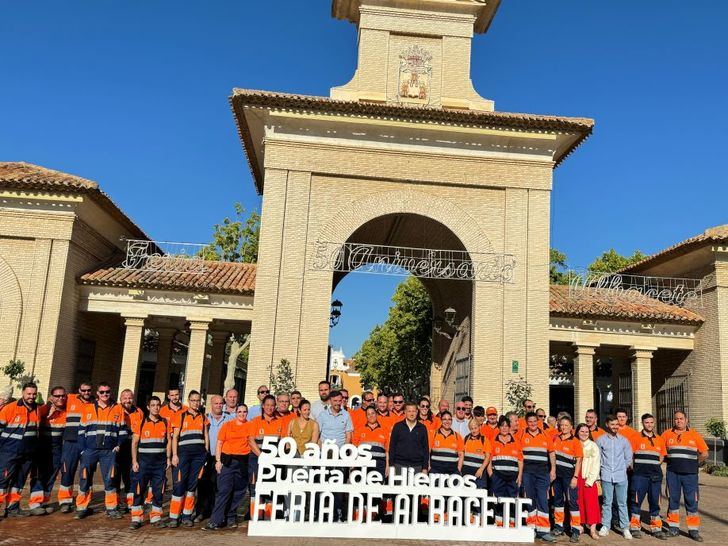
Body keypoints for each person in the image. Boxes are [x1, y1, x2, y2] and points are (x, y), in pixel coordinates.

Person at [75, 382, 128, 519]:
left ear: (111, 393)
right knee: (85, 478)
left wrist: (118, 445)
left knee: (110, 479)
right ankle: (82, 508)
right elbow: (81, 431)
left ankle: (111, 508)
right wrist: (82, 450)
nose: (105, 394)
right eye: (102, 392)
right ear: (97, 393)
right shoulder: (88, 408)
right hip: (90, 450)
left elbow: (122, 431)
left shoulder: (117, 409)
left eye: (107, 392)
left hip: (108, 451)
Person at [661, 410, 708, 542]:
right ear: (673, 420)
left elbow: (704, 453)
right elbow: (660, 450)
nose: (679, 421)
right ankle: (673, 528)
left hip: (690, 475)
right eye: (676, 419)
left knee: (691, 501)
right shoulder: (666, 434)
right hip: (672, 474)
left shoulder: (694, 434)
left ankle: (693, 530)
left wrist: (694, 462)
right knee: (673, 500)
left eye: (681, 419)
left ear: (686, 420)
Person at [204, 404, 250, 531]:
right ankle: (215, 520)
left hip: (242, 462)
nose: (242, 414)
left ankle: (230, 517)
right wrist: (218, 461)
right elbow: (219, 443)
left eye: (244, 412)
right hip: (227, 461)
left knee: (239, 492)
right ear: (235, 413)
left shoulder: (250, 426)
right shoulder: (228, 425)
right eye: (239, 412)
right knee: (224, 491)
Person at [129, 396, 170, 529]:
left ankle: (156, 517)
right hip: (143, 463)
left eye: (158, 405)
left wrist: (168, 458)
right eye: (153, 405)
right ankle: (136, 518)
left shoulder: (165, 422)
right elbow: (134, 443)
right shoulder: (141, 422)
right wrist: (134, 461)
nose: (156, 407)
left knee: (158, 491)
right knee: (139, 490)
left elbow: (168, 441)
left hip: (159, 464)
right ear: (148, 407)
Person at [169, 390, 209, 527]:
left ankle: (186, 515)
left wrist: (206, 453)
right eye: (193, 400)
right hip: (183, 455)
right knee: (179, 484)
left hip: (198, 456)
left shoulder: (203, 417)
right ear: (188, 401)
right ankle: (174, 517)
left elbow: (206, 436)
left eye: (198, 400)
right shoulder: (180, 415)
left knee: (192, 486)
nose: (196, 403)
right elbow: (174, 437)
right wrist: (174, 455)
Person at [0, 382, 40, 517]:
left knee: (19, 481)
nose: (31, 396)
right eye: (29, 393)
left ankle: (13, 508)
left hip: (27, 454)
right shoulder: (10, 408)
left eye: (34, 394)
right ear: (23, 393)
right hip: (8, 452)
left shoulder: (38, 409)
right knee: (2, 481)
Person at [29, 385, 67, 515]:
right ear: (51, 397)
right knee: (39, 474)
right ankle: (35, 503)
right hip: (42, 446)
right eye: (57, 396)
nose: (60, 398)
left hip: (57, 448)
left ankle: (44, 502)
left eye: (63, 396)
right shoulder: (44, 410)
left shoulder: (67, 412)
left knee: (52, 474)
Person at [316, 390, 353, 521]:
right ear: (330, 401)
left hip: (340, 456)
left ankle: (337, 513)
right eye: (335, 401)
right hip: (325, 455)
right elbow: (318, 435)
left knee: (338, 486)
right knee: (324, 484)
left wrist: (345, 452)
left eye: (339, 401)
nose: (338, 403)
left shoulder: (346, 415)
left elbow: (348, 435)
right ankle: (321, 513)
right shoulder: (322, 415)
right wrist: (320, 452)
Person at [629, 413, 666, 540]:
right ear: (642, 423)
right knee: (636, 501)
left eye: (651, 422)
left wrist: (654, 465)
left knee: (655, 503)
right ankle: (634, 527)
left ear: (654, 423)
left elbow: (662, 456)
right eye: (646, 422)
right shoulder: (635, 437)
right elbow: (631, 456)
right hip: (640, 476)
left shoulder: (660, 439)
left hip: (655, 477)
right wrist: (637, 469)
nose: (649, 425)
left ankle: (656, 529)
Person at [521, 411, 556, 542]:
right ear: (526, 423)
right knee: (530, 499)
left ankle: (544, 530)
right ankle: (531, 528)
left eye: (535, 421)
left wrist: (553, 469)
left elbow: (551, 453)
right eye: (530, 422)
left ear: (538, 422)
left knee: (542, 499)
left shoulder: (545, 435)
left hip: (543, 473)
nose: (533, 424)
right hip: (528, 473)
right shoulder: (521, 434)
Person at [596, 414, 633, 539]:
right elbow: (598, 458)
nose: (615, 427)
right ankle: (605, 525)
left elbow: (628, 458)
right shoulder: (601, 440)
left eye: (617, 424)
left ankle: (625, 528)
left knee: (622, 503)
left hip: (621, 476)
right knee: (607, 502)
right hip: (606, 475)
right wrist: (601, 471)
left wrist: (622, 468)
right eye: (612, 424)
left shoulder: (624, 440)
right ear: (607, 425)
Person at [58, 381, 94, 512]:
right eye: (83, 390)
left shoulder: (95, 403)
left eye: (88, 390)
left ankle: (83, 503)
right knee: (67, 471)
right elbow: (57, 400)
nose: (86, 393)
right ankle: (65, 501)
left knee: (86, 473)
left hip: (87, 444)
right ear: (79, 390)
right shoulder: (70, 398)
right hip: (70, 442)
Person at [248, 394, 283, 519]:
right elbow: (251, 441)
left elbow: (283, 442)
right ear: (263, 406)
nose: (270, 408)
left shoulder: (280, 421)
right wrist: (262, 455)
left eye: (272, 405)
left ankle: (268, 516)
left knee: (270, 488)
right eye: (267, 405)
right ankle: (255, 516)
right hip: (257, 458)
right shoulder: (256, 421)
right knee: (255, 487)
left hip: (273, 460)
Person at [352, 406, 390, 520]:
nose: (371, 416)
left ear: (376, 414)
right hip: (363, 465)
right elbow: (354, 448)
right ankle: (362, 514)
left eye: (373, 413)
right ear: (366, 416)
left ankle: (374, 514)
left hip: (379, 465)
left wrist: (387, 466)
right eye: (368, 414)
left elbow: (387, 450)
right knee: (362, 489)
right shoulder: (360, 430)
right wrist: (353, 465)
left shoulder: (384, 430)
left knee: (376, 490)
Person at [198, 395, 232, 520]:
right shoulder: (204, 418)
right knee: (203, 485)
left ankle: (216, 512)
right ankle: (201, 511)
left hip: (222, 457)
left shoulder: (229, 419)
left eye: (220, 403)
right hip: (207, 456)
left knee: (219, 487)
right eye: (216, 403)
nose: (218, 406)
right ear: (211, 404)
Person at [552, 416, 583, 542]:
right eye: (562, 425)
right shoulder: (555, 439)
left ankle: (575, 530)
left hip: (569, 477)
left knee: (573, 503)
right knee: (558, 502)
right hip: (557, 477)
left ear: (571, 427)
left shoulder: (575, 441)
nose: (563, 427)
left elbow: (579, 460)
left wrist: (575, 477)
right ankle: (559, 527)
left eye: (566, 425)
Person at [488, 415, 523, 527]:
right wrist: (491, 475)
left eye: (506, 426)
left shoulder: (516, 441)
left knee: (512, 500)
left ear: (509, 427)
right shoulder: (493, 440)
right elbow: (488, 459)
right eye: (502, 426)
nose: (504, 428)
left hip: (513, 477)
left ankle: (512, 523)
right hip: (498, 477)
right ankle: (499, 523)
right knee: (499, 500)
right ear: (499, 427)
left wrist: (520, 476)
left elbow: (520, 460)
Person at [116, 389, 143, 513]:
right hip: (117, 448)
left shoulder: (139, 412)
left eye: (130, 398)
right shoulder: (116, 410)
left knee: (130, 476)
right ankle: (115, 503)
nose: (127, 400)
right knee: (115, 476)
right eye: (125, 398)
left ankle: (129, 502)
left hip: (132, 448)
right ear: (120, 399)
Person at [575, 423, 601, 540]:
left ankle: (592, 529)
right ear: (577, 432)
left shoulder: (593, 446)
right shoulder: (574, 443)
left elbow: (596, 465)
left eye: (586, 432)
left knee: (592, 504)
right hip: (577, 477)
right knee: (578, 502)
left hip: (589, 478)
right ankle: (579, 525)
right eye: (582, 431)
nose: (584, 434)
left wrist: (590, 480)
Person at [389, 402, 430, 474]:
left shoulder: (422, 428)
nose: (411, 414)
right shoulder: (398, 427)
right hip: (399, 465)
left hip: (417, 466)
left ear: (417, 412)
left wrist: (425, 468)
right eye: (409, 411)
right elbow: (392, 447)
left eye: (413, 411)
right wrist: (391, 466)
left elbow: (425, 449)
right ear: (405, 412)